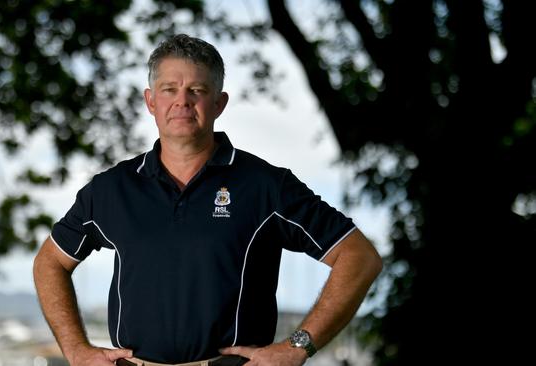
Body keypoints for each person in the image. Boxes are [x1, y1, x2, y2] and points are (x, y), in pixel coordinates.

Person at [33, 34, 382, 366]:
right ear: (150, 101)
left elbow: (359, 257)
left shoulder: (266, 186)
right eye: (169, 89)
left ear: (219, 103)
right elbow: (50, 263)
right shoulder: (111, 190)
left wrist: (298, 347)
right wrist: (76, 350)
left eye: (196, 90)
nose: (182, 101)